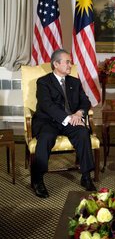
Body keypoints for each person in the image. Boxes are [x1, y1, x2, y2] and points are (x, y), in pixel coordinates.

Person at [31, 49, 97, 198]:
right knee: (46, 137)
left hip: (70, 120)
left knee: (83, 132)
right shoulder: (43, 82)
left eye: (70, 62)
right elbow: (47, 105)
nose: (70, 65)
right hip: (48, 121)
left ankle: (86, 176)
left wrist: (79, 113)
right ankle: (37, 179)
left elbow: (85, 101)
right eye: (67, 62)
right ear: (56, 64)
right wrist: (69, 118)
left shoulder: (74, 81)